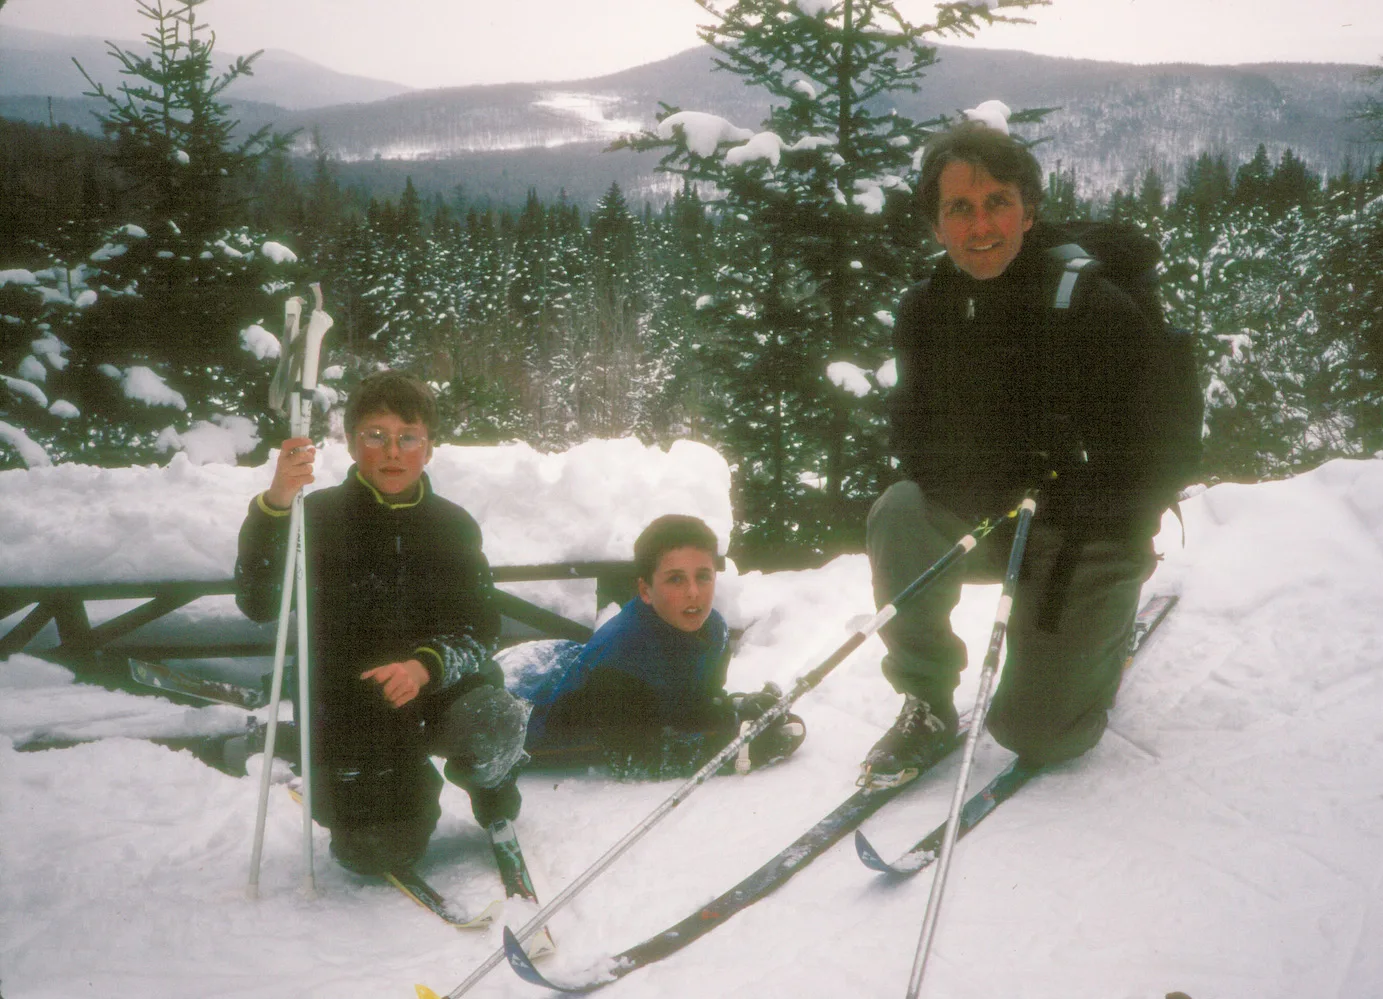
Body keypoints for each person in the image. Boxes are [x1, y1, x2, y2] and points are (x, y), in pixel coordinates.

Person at [861, 121, 1166, 787]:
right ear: (936, 224)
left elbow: (1158, 460)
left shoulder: (1090, 305)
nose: (981, 227)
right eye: (959, 208)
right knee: (900, 511)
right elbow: (911, 438)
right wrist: (998, 471)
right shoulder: (927, 308)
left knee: (1037, 734)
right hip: (999, 519)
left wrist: (1068, 482)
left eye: (998, 202)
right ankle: (926, 698)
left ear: (1028, 210)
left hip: (1090, 535)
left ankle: (1098, 641)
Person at [234, 370, 531, 881]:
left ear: (428, 448)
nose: (392, 451)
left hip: (438, 689)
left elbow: (480, 628)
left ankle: (490, 790)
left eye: (408, 437)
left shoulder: (452, 525)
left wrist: (424, 668)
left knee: (493, 718)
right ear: (351, 442)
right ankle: (400, 792)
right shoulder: (314, 516)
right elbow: (259, 603)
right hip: (355, 706)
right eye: (376, 436)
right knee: (372, 855)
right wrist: (278, 501)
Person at [507, 514, 805, 777]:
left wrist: (737, 708)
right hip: (529, 706)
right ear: (645, 590)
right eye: (675, 579)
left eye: (703, 577)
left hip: (580, 667)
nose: (693, 593)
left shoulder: (712, 628)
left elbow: (692, 703)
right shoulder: (620, 662)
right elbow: (637, 756)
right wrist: (742, 751)